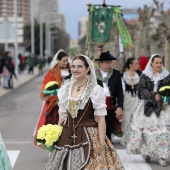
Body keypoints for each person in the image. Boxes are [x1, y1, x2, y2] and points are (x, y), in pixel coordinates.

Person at [45, 54, 124, 170]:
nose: (75, 70)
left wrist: (101, 145)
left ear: (87, 69)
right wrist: (55, 135)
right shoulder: (64, 90)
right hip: (66, 135)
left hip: (89, 134)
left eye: (79, 67)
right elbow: (62, 116)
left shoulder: (95, 90)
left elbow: (101, 119)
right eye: (73, 66)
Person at [126, 54, 170, 166]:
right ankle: (147, 153)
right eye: (157, 63)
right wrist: (153, 95)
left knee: (163, 132)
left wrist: (167, 100)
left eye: (160, 63)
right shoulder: (145, 76)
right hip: (147, 106)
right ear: (152, 63)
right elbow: (140, 90)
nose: (159, 65)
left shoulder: (166, 76)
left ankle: (162, 156)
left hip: (163, 108)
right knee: (146, 132)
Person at [34, 49, 71, 146]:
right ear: (58, 60)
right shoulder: (52, 73)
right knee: (55, 126)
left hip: (70, 103)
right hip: (56, 104)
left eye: (67, 61)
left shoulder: (72, 70)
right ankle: (54, 147)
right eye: (64, 61)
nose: (66, 63)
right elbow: (45, 89)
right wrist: (55, 93)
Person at [95, 51, 124, 140]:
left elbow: (120, 92)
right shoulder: (93, 74)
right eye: (106, 62)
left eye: (110, 62)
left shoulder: (116, 74)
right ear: (100, 63)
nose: (108, 65)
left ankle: (108, 151)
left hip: (110, 106)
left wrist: (119, 107)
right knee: (97, 130)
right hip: (97, 106)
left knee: (108, 130)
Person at [120, 57, 142, 146]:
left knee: (136, 118)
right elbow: (121, 88)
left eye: (138, 64)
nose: (137, 66)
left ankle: (136, 139)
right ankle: (127, 138)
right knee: (127, 118)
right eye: (135, 64)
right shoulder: (123, 75)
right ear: (130, 65)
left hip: (137, 98)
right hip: (127, 98)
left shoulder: (140, 74)